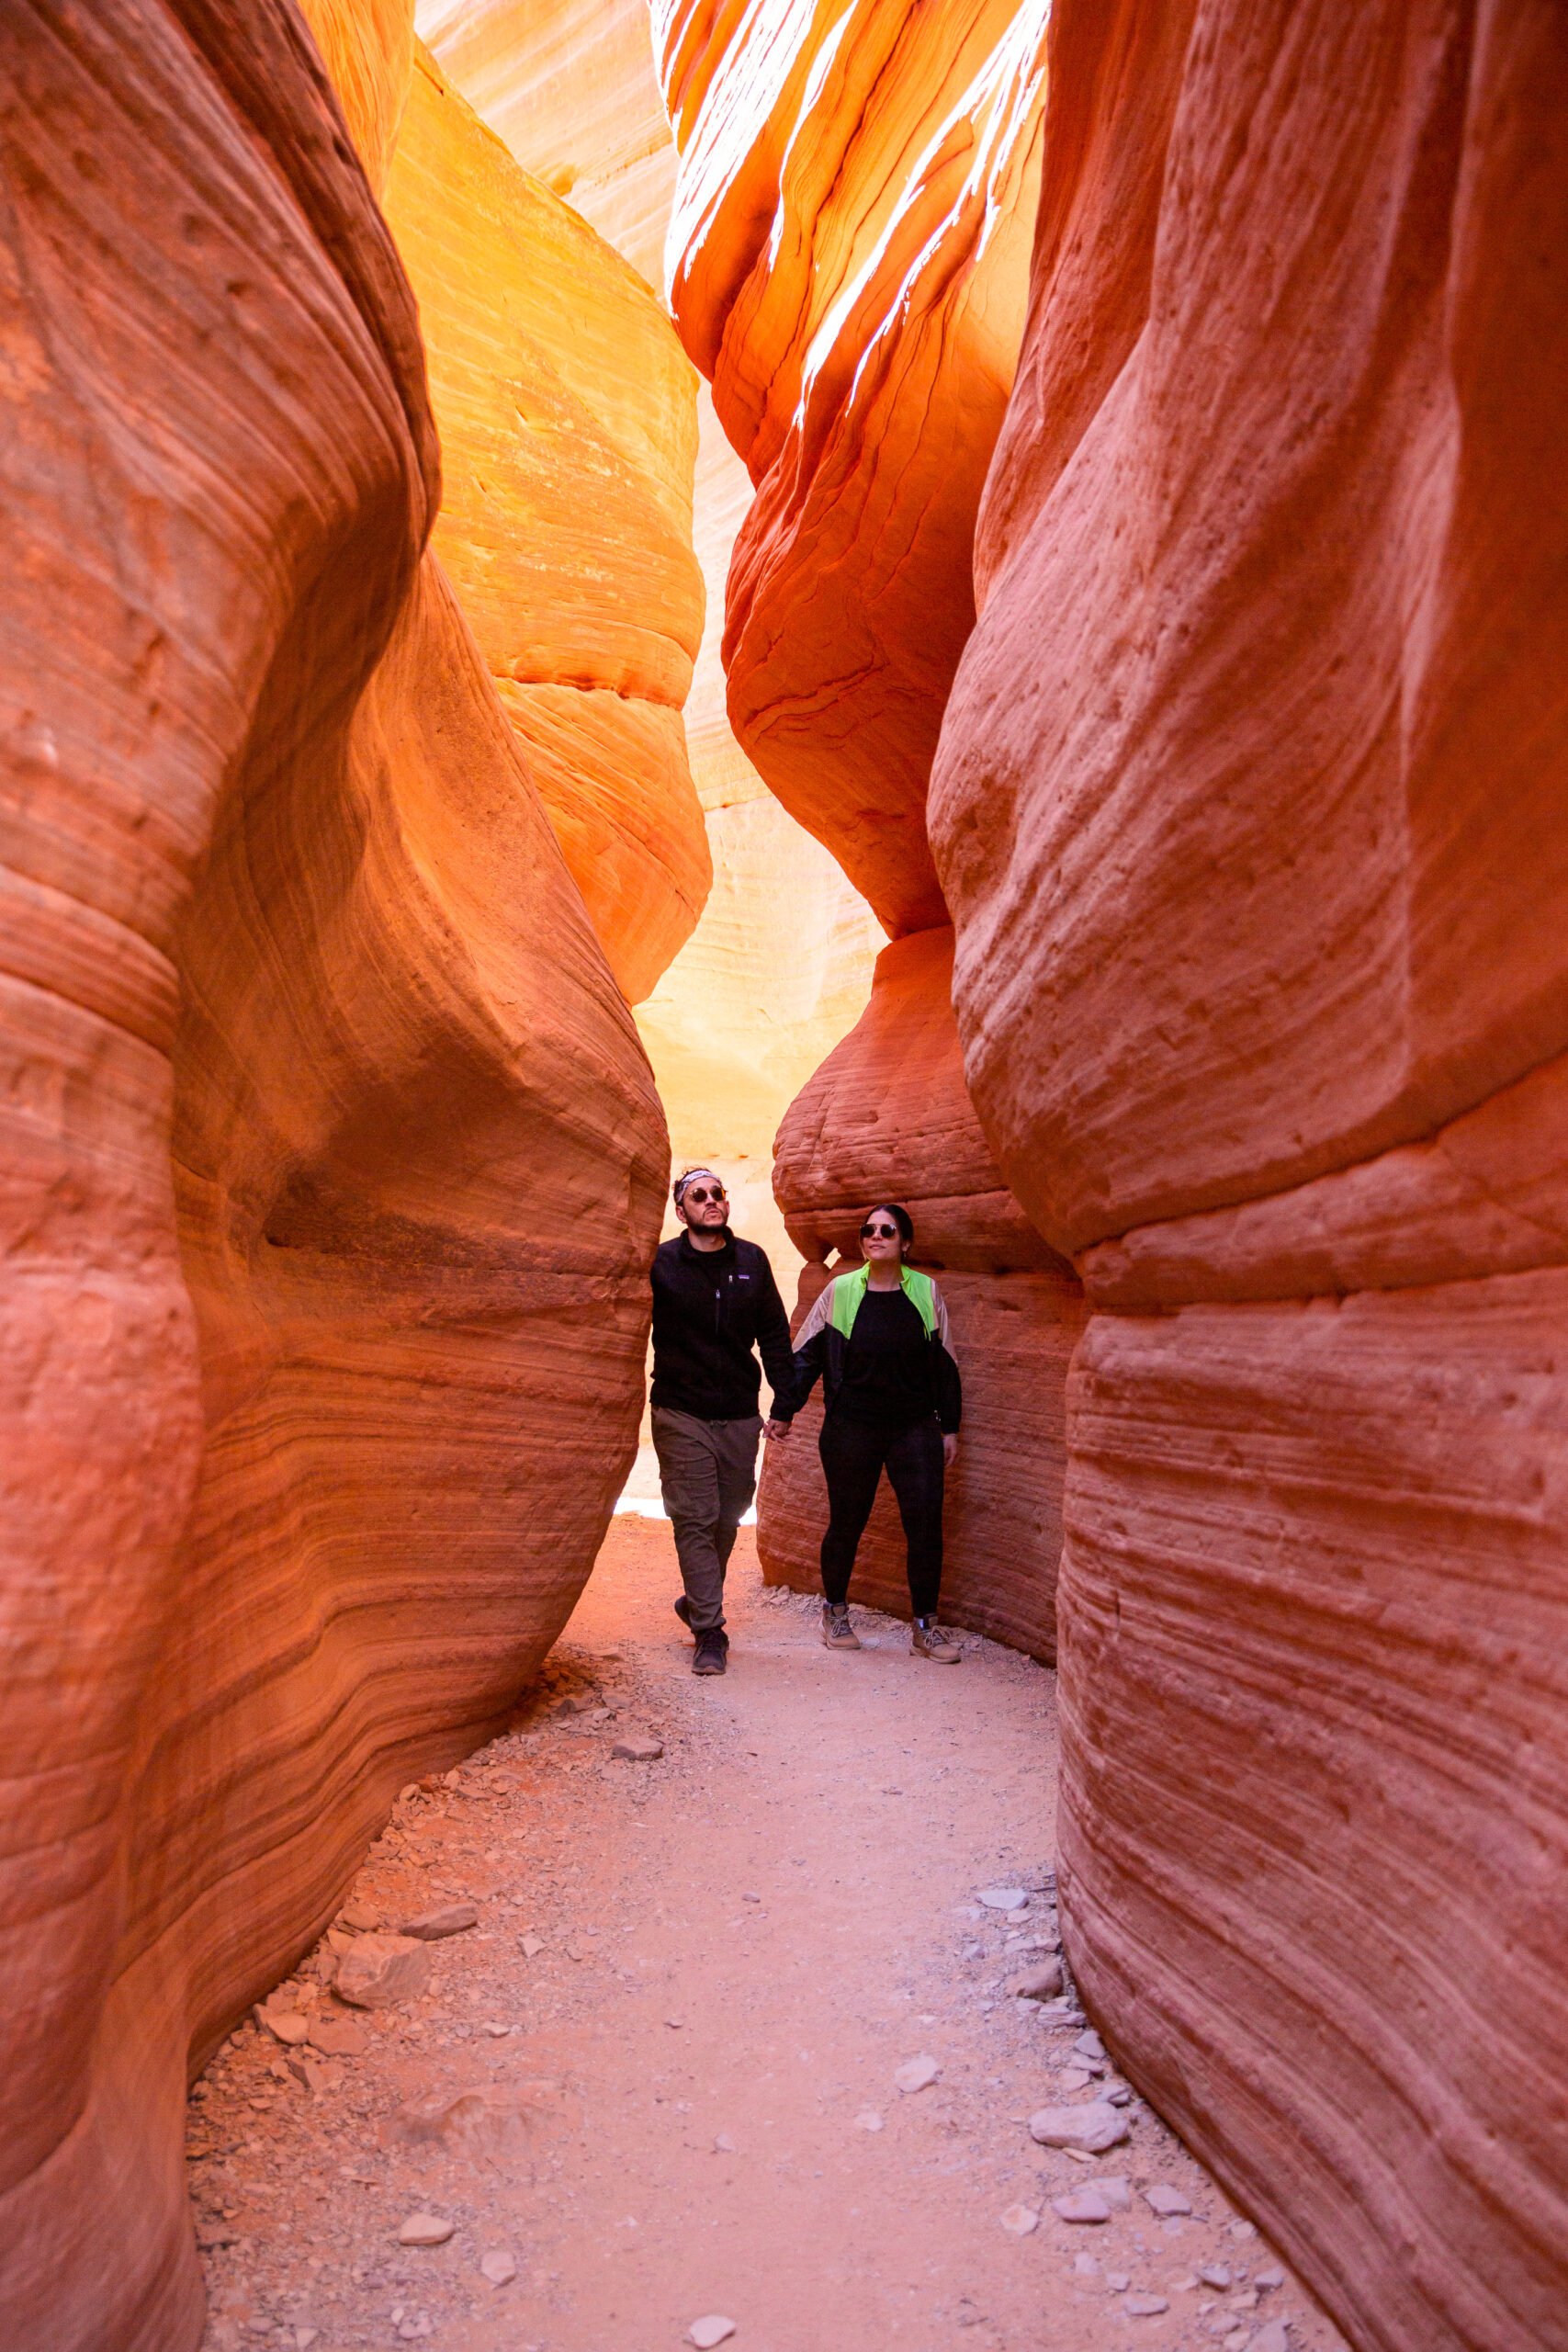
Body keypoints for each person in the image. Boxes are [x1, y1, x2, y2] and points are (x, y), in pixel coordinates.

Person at [786, 1203, 963, 1662]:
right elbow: (806, 1354)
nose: (876, 1236)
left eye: (888, 1230)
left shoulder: (926, 1291)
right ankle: (835, 1614)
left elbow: (945, 1364)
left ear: (905, 1242)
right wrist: (784, 1411)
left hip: (914, 1426)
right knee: (847, 1522)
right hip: (851, 1426)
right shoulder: (840, 1290)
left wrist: (951, 1425)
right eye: (869, 1230)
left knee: (925, 1527)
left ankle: (926, 1628)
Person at [649, 1167, 795, 1676]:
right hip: (679, 1411)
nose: (711, 1201)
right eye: (699, 1195)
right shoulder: (661, 1262)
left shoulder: (751, 1261)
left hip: (737, 1416)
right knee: (694, 1516)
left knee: (727, 1516)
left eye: (717, 1194)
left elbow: (775, 1336)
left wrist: (784, 1406)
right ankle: (709, 1630)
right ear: (681, 1210)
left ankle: (696, 1600)